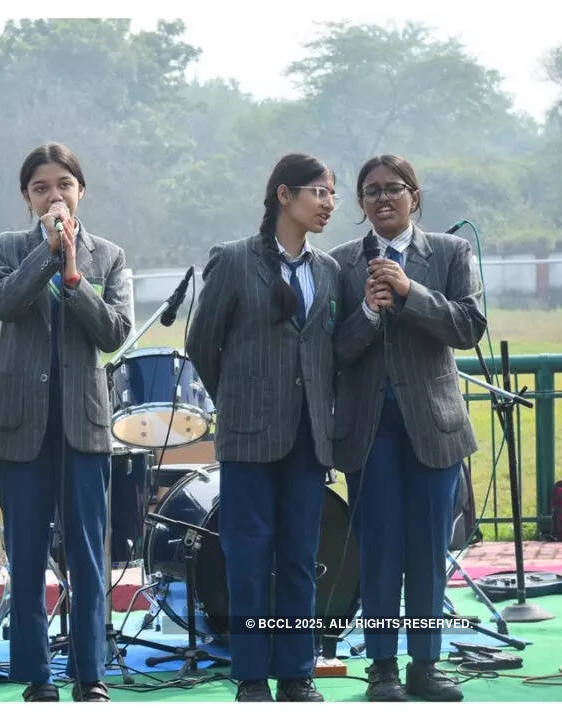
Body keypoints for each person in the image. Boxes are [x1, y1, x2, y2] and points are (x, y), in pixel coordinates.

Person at [0, 142, 132, 702]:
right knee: (26, 552)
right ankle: (36, 677)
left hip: (82, 424)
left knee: (88, 554)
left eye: (63, 184)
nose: (53, 194)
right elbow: (5, 303)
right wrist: (47, 251)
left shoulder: (108, 256)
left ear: (80, 189)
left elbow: (114, 334)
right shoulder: (5, 247)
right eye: (40, 187)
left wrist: (74, 275)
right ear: (26, 198)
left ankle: (91, 674)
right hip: (18, 426)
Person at [185, 152, 340, 702]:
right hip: (248, 438)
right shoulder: (232, 260)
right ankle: (251, 676)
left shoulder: (329, 271)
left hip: (308, 441)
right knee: (247, 559)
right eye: (319, 192)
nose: (329, 204)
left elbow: (325, 352)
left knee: (300, 557)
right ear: (284, 195)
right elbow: (201, 343)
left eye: (332, 194)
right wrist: (241, 398)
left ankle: (297, 671)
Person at [331, 154, 485, 702]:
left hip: (434, 428)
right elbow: (335, 352)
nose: (383, 199)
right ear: (361, 205)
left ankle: (426, 665)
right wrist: (369, 316)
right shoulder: (341, 264)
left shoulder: (448, 252)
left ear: (414, 196)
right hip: (369, 432)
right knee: (378, 551)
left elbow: (469, 326)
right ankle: (381, 668)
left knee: (426, 551)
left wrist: (409, 292)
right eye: (370, 192)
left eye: (393, 189)